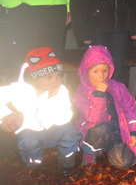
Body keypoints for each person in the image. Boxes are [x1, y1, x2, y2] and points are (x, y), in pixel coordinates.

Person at [0, 47, 82, 175]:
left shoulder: (61, 91)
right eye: (48, 77)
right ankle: (35, 166)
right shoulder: (19, 89)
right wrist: (4, 115)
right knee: (29, 141)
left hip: (51, 132)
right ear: (34, 78)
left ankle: (67, 161)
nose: (55, 81)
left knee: (70, 130)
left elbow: (64, 119)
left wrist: (53, 98)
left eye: (58, 75)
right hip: (29, 134)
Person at [73, 45, 136, 169]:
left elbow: (130, 109)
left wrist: (133, 132)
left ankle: (109, 148)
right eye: (96, 71)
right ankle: (90, 152)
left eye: (105, 71)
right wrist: (99, 95)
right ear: (86, 71)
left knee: (125, 162)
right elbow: (95, 119)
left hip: (117, 130)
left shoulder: (118, 87)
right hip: (94, 131)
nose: (101, 76)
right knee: (101, 130)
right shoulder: (82, 92)